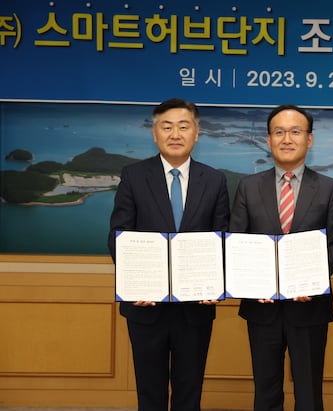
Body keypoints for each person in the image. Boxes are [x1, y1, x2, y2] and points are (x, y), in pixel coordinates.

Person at [108, 98, 230, 411]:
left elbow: (222, 238)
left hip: (195, 307)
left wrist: (217, 283)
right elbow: (119, 235)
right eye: (167, 127)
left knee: (190, 392)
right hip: (145, 306)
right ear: (155, 133)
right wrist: (135, 284)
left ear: (196, 133)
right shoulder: (134, 175)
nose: (175, 134)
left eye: (183, 126)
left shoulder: (214, 180)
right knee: (150, 393)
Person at [229, 104, 333, 411]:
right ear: (268, 140)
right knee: (265, 390)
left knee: (309, 393)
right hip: (261, 307)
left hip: (310, 307)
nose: (287, 139)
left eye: (295, 131)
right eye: (279, 132)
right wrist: (253, 285)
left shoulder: (329, 188)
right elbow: (237, 242)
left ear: (309, 139)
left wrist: (311, 281)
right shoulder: (248, 187)